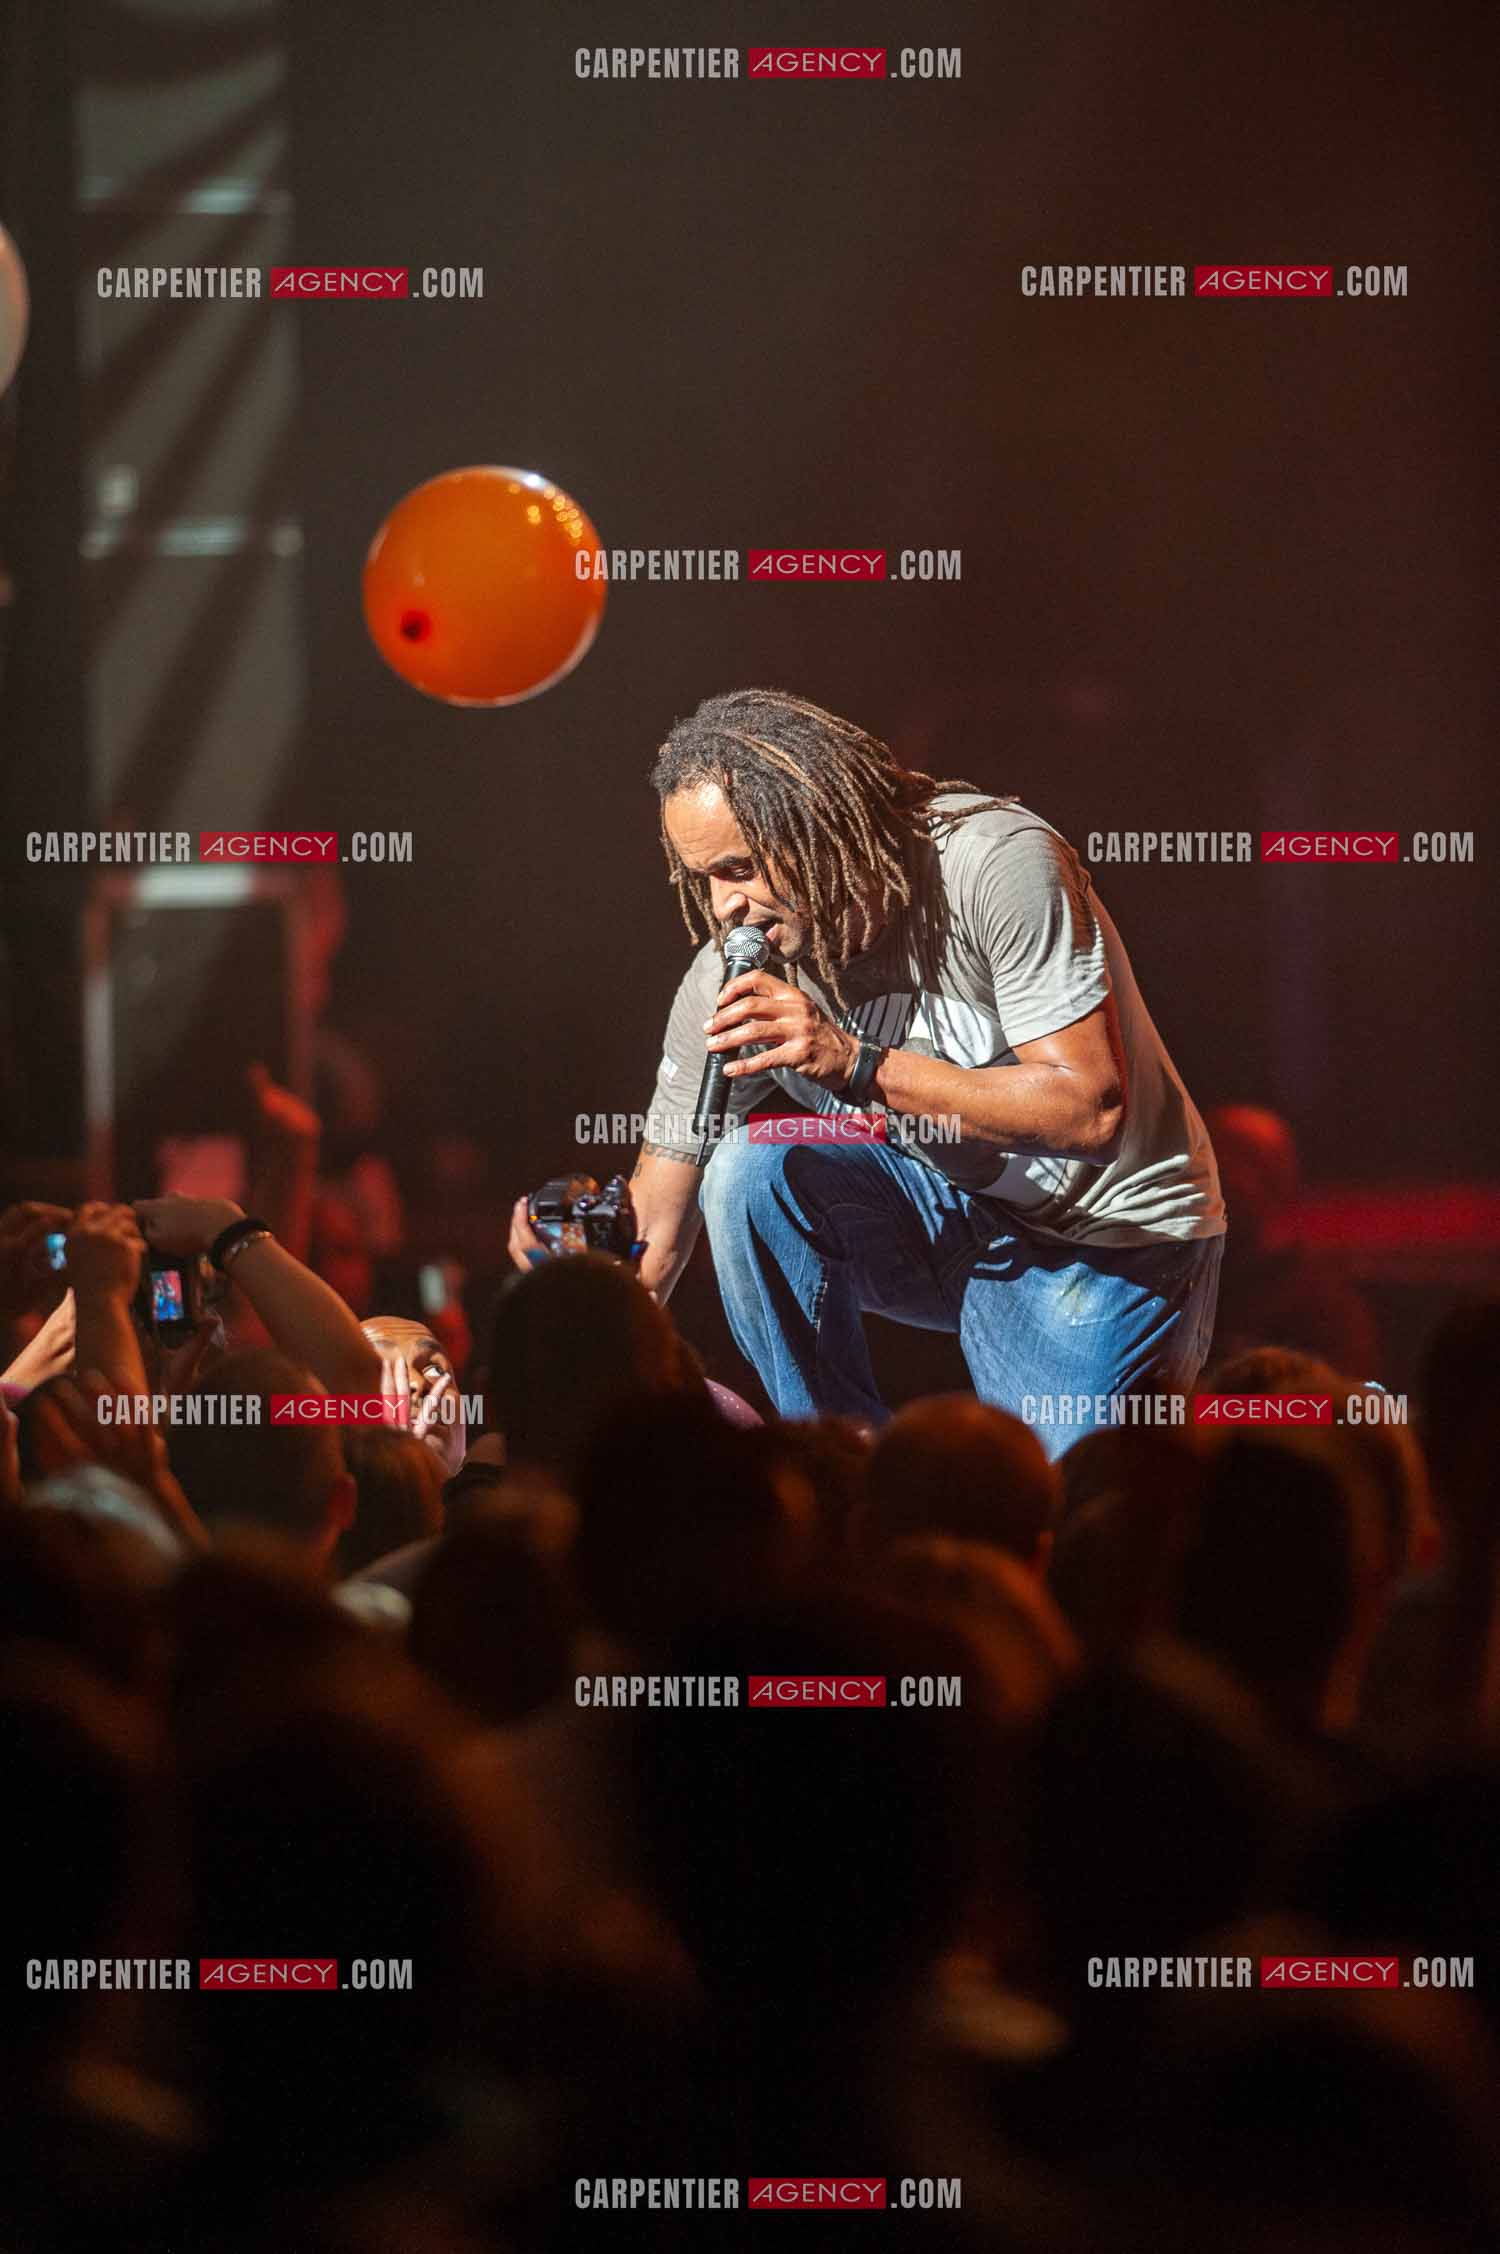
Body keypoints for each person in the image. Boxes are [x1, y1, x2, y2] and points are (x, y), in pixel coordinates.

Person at [509, 690, 1223, 1456]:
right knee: (746, 1169)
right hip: (952, 1211)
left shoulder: (992, 862)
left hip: (1105, 1238)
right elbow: (662, 1211)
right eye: (703, 878)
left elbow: (1089, 1112)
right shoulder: (735, 973)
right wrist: (585, 1274)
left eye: (739, 868)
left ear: (818, 825)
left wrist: (854, 1061)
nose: (722, 907)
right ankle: (838, 1459)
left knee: (1062, 1518)